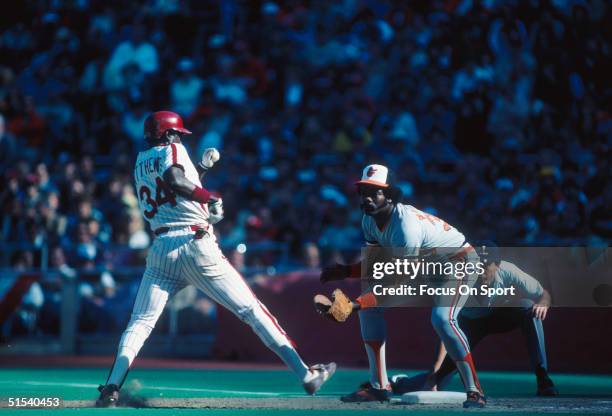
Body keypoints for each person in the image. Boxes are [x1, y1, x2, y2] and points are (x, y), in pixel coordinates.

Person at [96, 111, 335, 407]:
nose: (180, 138)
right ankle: (306, 374)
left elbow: (174, 188)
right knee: (252, 310)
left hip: (161, 248)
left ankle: (111, 386)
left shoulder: (139, 161)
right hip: (195, 243)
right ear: (169, 134)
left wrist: (201, 169)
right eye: (177, 134)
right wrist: (209, 197)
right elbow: (175, 181)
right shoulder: (173, 149)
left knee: (140, 322)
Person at [318, 164, 485, 408]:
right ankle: (379, 387)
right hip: (428, 268)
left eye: (375, 191)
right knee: (369, 310)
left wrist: (354, 304)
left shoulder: (406, 226)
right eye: (364, 190)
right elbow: (378, 265)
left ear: (390, 195)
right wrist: (346, 271)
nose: (367, 196)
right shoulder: (369, 220)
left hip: (459, 262)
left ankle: (475, 389)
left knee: (442, 319)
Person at [392, 244, 557, 397]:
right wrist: (434, 372)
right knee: (438, 379)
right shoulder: (458, 279)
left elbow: (543, 293)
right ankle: (400, 384)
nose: (481, 272)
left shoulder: (509, 270)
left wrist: (543, 303)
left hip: (498, 316)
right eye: (477, 266)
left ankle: (543, 377)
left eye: (486, 267)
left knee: (529, 307)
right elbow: (445, 325)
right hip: (467, 326)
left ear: (498, 264)